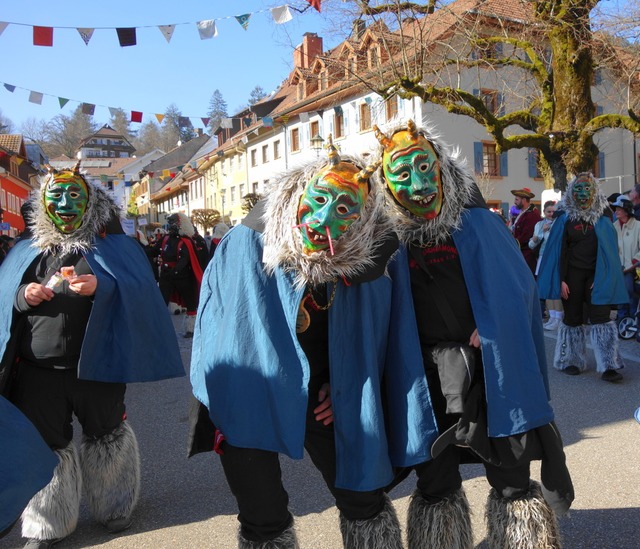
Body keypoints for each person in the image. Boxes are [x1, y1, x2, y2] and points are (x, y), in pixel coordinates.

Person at [189, 139, 437, 548]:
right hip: (253, 386)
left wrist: (344, 383)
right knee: (262, 512)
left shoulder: (368, 251)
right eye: (318, 199)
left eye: (343, 210)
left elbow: (375, 332)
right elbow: (225, 333)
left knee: (363, 495)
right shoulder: (247, 244)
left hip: (327, 388)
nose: (322, 219)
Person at [375, 120, 573, 549]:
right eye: (403, 173)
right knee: (435, 472)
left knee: (510, 465)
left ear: (442, 167)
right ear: (386, 183)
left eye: (424, 167)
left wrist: (494, 325)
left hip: (488, 368)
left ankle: (523, 537)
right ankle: (442, 540)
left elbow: (517, 287)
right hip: (424, 373)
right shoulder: (388, 239)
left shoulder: (478, 221)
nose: (419, 183)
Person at [0, 164, 184, 549]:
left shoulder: (117, 249)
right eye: (57, 197)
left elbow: (141, 293)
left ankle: (115, 506)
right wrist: (23, 297)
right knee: (48, 444)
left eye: (74, 196)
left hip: (98, 365)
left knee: (107, 435)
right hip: (39, 371)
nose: (65, 204)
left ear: (90, 203)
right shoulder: (24, 251)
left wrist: (103, 286)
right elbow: (3, 302)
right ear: (43, 205)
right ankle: (48, 523)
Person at [538, 173, 628, 382]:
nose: (582, 193)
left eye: (587, 189)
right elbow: (558, 251)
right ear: (571, 192)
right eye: (578, 190)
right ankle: (571, 360)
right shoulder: (564, 217)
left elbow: (610, 250)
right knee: (572, 319)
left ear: (595, 192)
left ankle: (609, 365)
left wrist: (603, 275)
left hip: (596, 276)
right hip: (571, 277)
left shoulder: (604, 215)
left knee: (601, 318)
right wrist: (560, 279)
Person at [153, 213, 203, 338]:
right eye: (170, 223)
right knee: (161, 302)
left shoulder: (186, 241)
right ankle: (159, 328)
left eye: (174, 223)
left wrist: (175, 270)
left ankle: (191, 328)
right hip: (166, 276)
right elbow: (154, 250)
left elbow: (185, 259)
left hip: (182, 276)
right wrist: (137, 247)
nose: (171, 225)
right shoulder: (165, 239)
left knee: (190, 302)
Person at [529, 200, 564, 330]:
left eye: (553, 211)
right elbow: (531, 244)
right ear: (544, 212)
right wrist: (541, 233)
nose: (551, 214)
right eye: (548, 211)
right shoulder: (539, 224)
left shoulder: (559, 223)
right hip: (542, 257)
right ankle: (552, 316)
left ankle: (558, 317)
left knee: (554, 286)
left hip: (554, 257)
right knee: (545, 286)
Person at [611, 195, 640, 318]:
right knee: (620, 293)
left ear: (626, 210)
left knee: (630, 292)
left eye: (619, 209)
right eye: (615, 209)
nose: (616, 211)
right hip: (618, 268)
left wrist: (635, 260)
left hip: (633, 268)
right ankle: (622, 319)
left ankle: (633, 319)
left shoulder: (638, 226)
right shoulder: (614, 226)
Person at [511, 187, 540, 273]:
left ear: (523, 200)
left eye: (517, 199)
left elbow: (526, 236)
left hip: (527, 254)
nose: (514, 202)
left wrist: (512, 243)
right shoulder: (523, 213)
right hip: (521, 252)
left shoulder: (531, 215)